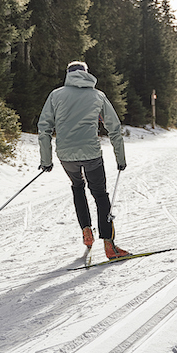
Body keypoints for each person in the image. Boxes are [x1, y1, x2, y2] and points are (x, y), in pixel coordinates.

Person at [38, 61, 130, 259]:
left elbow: (44, 128)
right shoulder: (97, 95)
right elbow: (114, 128)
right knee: (100, 195)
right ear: (86, 73)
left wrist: (46, 160)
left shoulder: (56, 95)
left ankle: (86, 232)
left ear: (68, 74)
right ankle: (109, 245)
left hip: (66, 156)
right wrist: (120, 158)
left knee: (78, 187)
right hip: (91, 154)